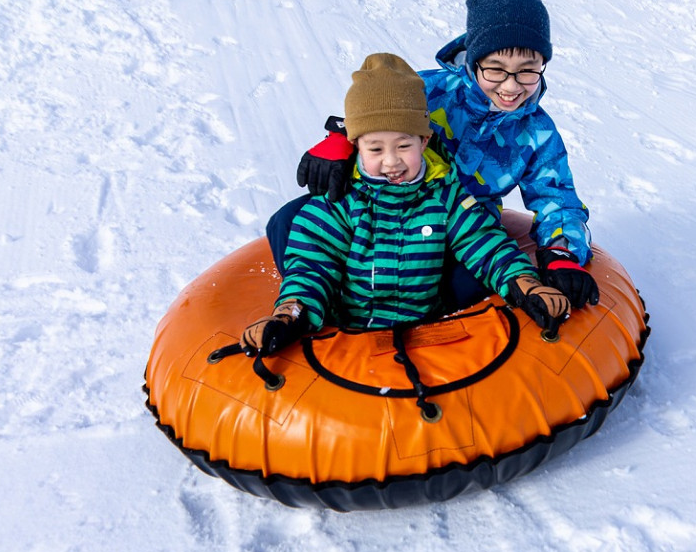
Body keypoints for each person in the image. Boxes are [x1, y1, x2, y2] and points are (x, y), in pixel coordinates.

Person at [280, 0, 599, 312]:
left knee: (469, 284)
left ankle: (426, 324)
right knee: (289, 222)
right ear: (473, 60)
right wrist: (339, 142)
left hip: (467, 228)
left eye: (527, 72)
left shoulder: (537, 132)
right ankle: (308, 301)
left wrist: (562, 252)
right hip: (383, 209)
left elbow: (558, 199)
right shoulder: (429, 90)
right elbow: (373, 112)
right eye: (496, 70)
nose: (510, 86)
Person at [243, 53, 569, 355]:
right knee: (292, 227)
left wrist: (525, 284)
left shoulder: (446, 195)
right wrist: (292, 313)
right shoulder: (340, 201)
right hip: (346, 326)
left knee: (477, 261)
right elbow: (312, 263)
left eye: (403, 146)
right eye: (375, 149)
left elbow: (483, 243)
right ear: (354, 145)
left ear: (424, 140)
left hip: (423, 323)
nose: (391, 162)